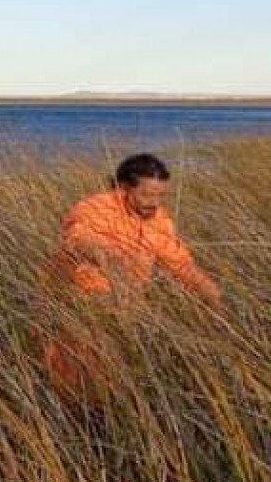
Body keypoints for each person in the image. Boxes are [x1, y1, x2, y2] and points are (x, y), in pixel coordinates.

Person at [43, 153, 221, 401]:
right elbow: (78, 237)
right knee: (76, 388)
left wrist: (212, 295)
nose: (155, 203)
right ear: (124, 187)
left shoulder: (159, 221)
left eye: (160, 195)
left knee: (120, 383)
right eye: (147, 195)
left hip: (126, 309)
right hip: (78, 306)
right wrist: (106, 256)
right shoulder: (94, 207)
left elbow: (181, 264)